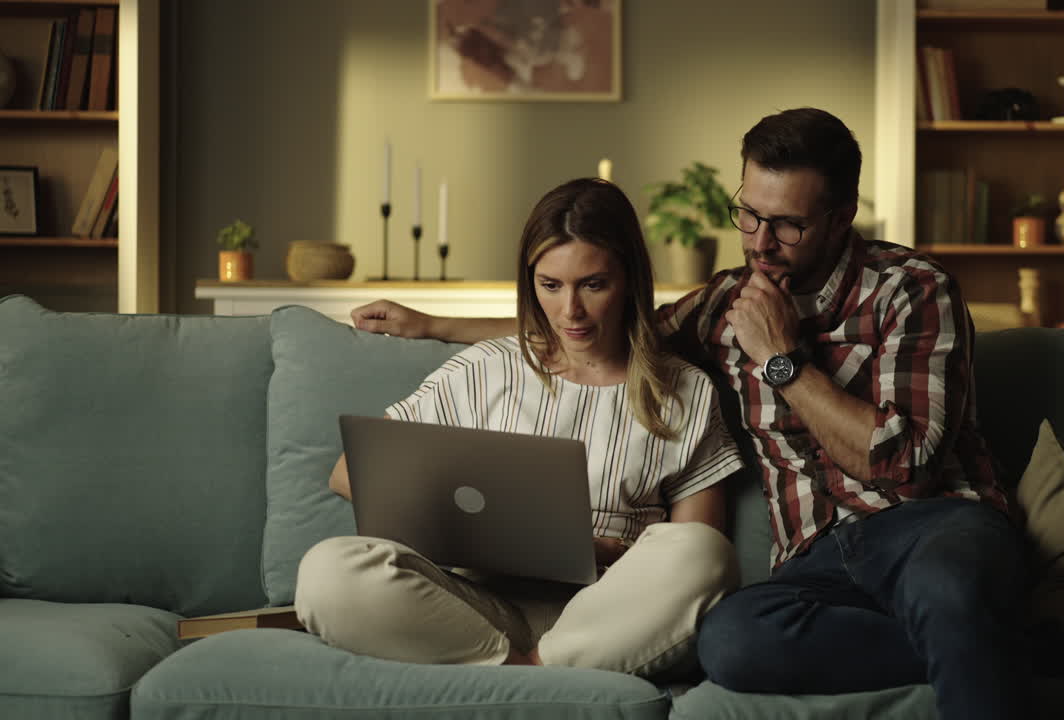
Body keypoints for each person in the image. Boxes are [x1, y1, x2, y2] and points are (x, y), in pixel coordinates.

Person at [349, 108, 1029, 719]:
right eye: (750, 214)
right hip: (816, 561)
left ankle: (968, 627)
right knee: (733, 643)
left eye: (789, 223)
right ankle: (987, 639)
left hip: (933, 526)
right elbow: (595, 327)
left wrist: (783, 361)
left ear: (842, 213)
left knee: (946, 588)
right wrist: (435, 323)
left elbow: (907, 469)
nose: (761, 242)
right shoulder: (724, 300)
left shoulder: (913, 290)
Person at [295, 177, 743, 679]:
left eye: (593, 284)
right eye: (550, 285)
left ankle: (531, 668)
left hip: (609, 614)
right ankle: (529, 670)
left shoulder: (687, 391)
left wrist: (594, 552)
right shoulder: (485, 368)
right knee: (327, 570)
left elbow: (696, 548)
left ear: (629, 280)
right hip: (468, 608)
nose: (569, 311)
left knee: (706, 554)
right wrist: (490, 532)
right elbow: (347, 474)